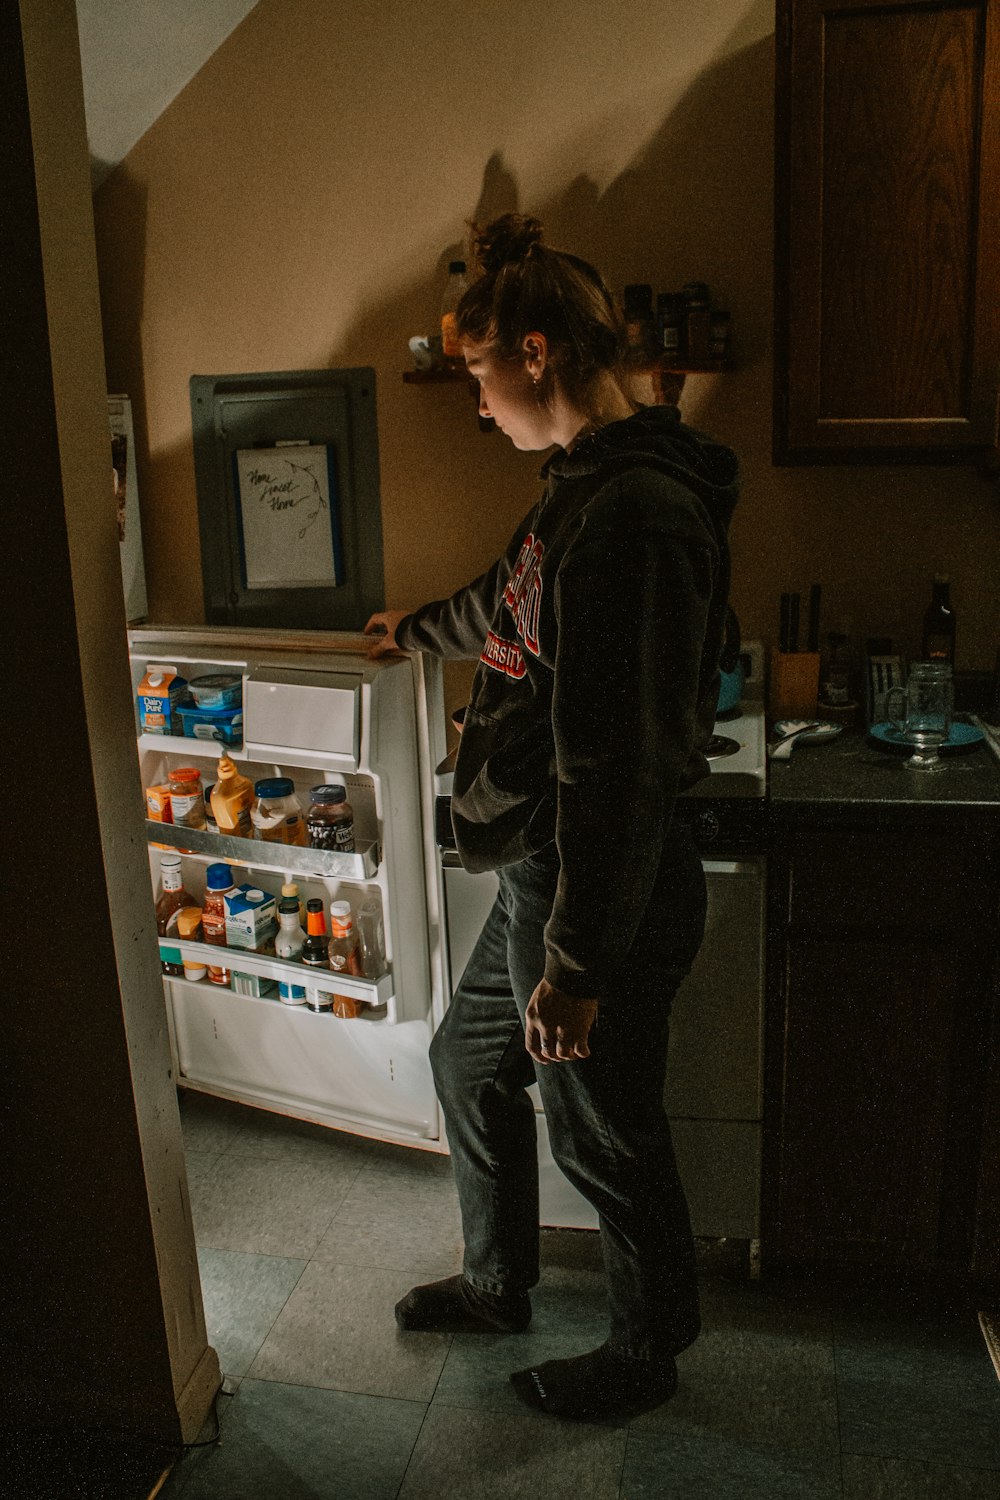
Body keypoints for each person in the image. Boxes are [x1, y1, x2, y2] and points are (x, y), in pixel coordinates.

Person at [366, 213, 739, 1423]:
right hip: (543, 874)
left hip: (598, 888)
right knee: (467, 1064)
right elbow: (504, 606)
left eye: (479, 377)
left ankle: (645, 1351)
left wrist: (576, 966)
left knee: (598, 1124)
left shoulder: (636, 512)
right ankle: (496, 1282)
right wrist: (412, 630)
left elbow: (619, 766)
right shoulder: (579, 487)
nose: (479, 407)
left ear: (534, 352)